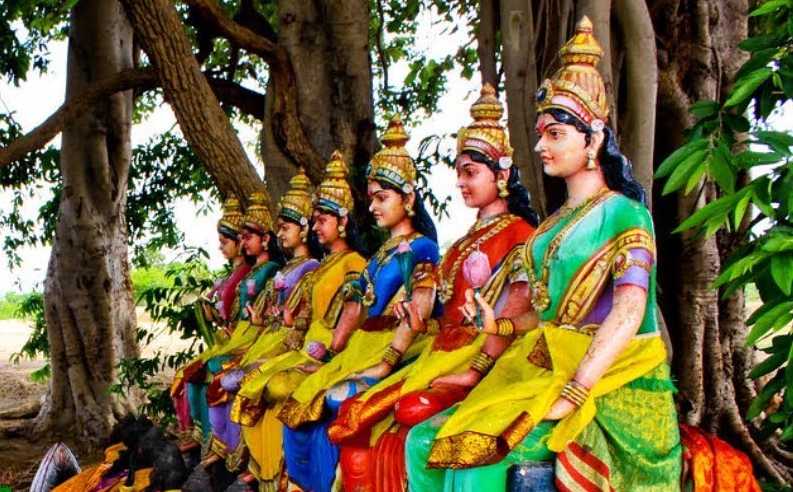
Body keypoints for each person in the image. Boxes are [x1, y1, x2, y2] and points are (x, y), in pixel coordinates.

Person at [405, 17, 681, 491]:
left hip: (613, 378)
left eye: (555, 134)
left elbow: (629, 314)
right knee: (423, 442)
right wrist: (500, 325)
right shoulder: (547, 230)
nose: (541, 145)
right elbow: (545, 316)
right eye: (541, 133)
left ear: (592, 139)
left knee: (482, 458)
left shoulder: (626, 215)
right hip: (544, 364)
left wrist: (575, 393)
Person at [329, 85, 539, 491]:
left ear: (502, 173)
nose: (461, 182)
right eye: (458, 173)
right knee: (357, 418)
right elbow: (430, 302)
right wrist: (392, 353)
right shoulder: (460, 243)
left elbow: (513, 314)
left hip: (483, 358)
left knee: (408, 413)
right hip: (437, 354)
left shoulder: (521, 235)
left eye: (470, 172)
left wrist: (475, 372)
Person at [278, 115, 441, 492]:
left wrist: (386, 362)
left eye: (382, 198)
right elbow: (353, 307)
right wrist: (330, 352)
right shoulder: (380, 253)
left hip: (401, 348)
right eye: (372, 199)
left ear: (409, 199)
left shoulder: (422, 248)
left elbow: (421, 304)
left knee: (335, 400)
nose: (374, 207)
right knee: (299, 400)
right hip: (360, 346)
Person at [229, 152, 367, 491]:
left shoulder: (355, 263)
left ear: (343, 221)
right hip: (306, 345)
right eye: (314, 220)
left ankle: (281, 473)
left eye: (322, 220)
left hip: (335, 351)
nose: (317, 226)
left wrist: (330, 352)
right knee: (254, 379)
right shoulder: (319, 268)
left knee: (275, 385)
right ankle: (266, 471)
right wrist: (289, 327)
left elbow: (355, 314)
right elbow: (304, 320)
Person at [209, 168, 323, 477]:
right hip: (270, 335)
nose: (283, 234)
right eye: (281, 228)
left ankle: (265, 466)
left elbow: (304, 315)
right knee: (233, 378)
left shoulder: (312, 267)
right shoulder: (286, 268)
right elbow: (278, 309)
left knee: (248, 381)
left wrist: (287, 320)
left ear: (305, 228)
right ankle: (242, 456)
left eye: (286, 228)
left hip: (295, 341)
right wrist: (266, 316)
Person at [203, 190, 283, 466]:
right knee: (206, 374)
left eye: (246, 237)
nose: (242, 242)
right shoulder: (255, 272)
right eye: (241, 237)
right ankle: (223, 447)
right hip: (255, 335)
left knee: (231, 378)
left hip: (275, 340)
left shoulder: (273, 269)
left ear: (266, 239)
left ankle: (244, 456)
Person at [170, 196, 252, 450]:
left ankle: (216, 443)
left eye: (224, 242)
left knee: (210, 374)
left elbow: (244, 316)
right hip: (229, 337)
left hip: (245, 339)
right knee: (188, 375)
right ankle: (200, 436)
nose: (220, 248)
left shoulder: (250, 275)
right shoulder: (230, 276)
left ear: (240, 242)